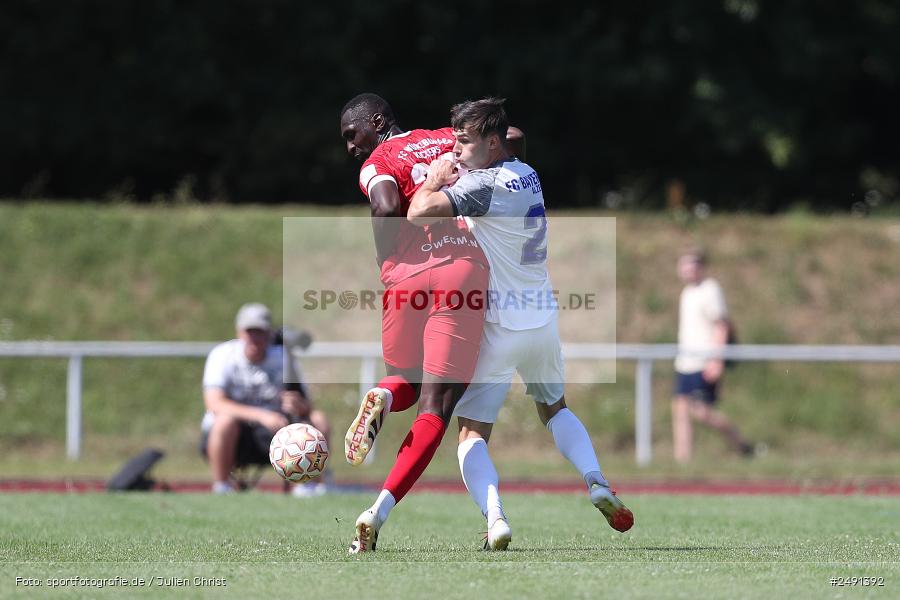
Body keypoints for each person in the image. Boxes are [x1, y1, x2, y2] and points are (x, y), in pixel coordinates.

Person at [407, 97, 633, 550]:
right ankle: (596, 480)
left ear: (493, 143)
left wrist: (433, 179)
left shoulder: (484, 186)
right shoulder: (527, 174)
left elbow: (416, 212)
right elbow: (508, 144)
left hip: (500, 325)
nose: (456, 148)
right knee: (556, 410)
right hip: (542, 318)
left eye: (464, 141)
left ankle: (495, 519)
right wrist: (467, 157)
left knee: (470, 434)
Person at [339, 94, 490, 553]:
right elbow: (512, 137)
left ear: (378, 122)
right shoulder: (446, 138)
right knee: (436, 408)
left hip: (405, 278)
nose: (350, 147)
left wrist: (389, 262)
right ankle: (377, 511)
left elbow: (384, 208)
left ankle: (382, 395)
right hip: (459, 269)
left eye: (352, 134)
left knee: (403, 380)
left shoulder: (379, 161)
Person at [201, 303, 331, 494]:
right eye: (250, 331)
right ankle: (222, 486)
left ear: (269, 333)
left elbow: (307, 407)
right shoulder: (222, 355)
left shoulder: (284, 357)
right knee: (224, 422)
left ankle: (310, 486)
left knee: (319, 420)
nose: (255, 338)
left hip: (276, 433)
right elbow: (214, 403)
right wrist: (261, 415)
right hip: (235, 435)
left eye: (260, 332)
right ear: (239, 332)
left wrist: (297, 405)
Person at [672, 250, 753, 463]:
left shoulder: (710, 289)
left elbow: (721, 325)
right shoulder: (686, 293)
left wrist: (716, 359)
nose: (687, 269)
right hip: (685, 362)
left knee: (701, 413)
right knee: (680, 410)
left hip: (703, 361)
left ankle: (740, 442)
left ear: (701, 267)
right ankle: (683, 461)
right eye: (684, 265)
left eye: (692, 265)